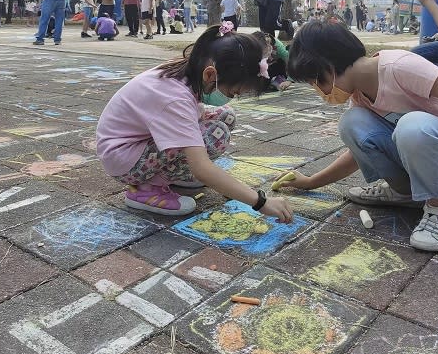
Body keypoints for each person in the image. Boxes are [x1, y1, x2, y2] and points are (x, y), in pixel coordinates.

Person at [279, 21, 438, 251]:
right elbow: (359, 152)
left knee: (411, 125)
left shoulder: (398, 66)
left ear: (328, 67)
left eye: (316, 83)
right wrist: (310, 182)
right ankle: (406, 193)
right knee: (352, 123)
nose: (320, 92)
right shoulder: (359, 95)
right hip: (437, 160)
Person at [96, 22, 292, 220]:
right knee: (217, 135)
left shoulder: (187, 69)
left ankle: (174, 175)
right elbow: (202, 168)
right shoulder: (175, 99)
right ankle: (146, 189)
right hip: (124, 160)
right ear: (210, 74)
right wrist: (260, 202)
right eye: (231, 92)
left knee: (226, 116)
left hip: (134, 145)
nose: (231, 97)